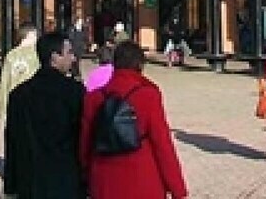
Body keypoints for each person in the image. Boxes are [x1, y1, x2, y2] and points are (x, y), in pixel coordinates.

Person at [80, 41, 188, 199]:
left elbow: (85, 142)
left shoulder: (93, 98)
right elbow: (162, 145)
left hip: (104, 179)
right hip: (141, 179)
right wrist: (177, 188)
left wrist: (85, 174)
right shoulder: (148, 95)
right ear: (140, 65)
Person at [3, 31, 86, 198]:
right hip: (66, 181)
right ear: (54, 57)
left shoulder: (18, 94)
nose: (73, 58)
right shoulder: (75, 92)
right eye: (69, 52)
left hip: (30, 181)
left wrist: (10, 185)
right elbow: (83, 137)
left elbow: (12, 141)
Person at [0, 23, 40, 123]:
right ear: (29, 35)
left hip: (15, 99)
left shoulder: (11, 55)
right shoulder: (37, 54)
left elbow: (5, 83)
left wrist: (3, 109)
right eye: (35, 35)